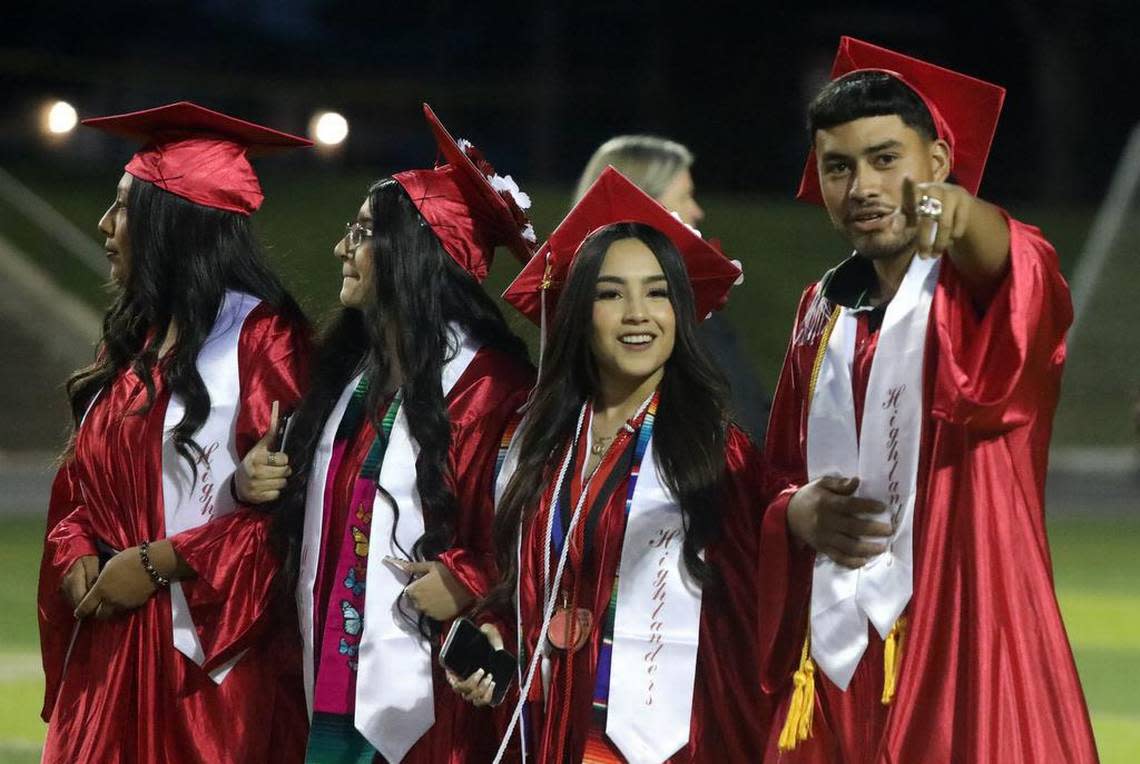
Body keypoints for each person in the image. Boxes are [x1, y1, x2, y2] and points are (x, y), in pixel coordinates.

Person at [757, 37, 1098, 762]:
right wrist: (795, 511)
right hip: (839, 666)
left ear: (937, 163)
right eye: (838, 167)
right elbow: (779, 470)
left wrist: (963, 215)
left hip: (970, 646)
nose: (863, 187)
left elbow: (1013, 261)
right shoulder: (818, 314)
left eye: (888, 159)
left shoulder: (971, 295)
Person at [455, 167, 767, 763]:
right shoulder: (537, 441)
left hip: (660, 738)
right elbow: (521, 578)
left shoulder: (714, 451)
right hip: (541, 727)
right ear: (578, 311)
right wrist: (497, 631)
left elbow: (749, 618)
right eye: (610, 293)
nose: (637, 314)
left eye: (657, 292)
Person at [256, 104, 537, 763]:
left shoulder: (493, 388)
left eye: (360, 234)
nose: (340, 250)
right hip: (328, 685)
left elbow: (528, 532)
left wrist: (466, 578)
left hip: (431, 702)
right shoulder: (353, 380)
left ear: (414, 255)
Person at [36, 102, 313, 762]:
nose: (106, 227)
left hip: (210, 680)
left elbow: (288, 522)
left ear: (175, 226)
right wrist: (74, 552)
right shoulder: (130, 346)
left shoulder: (265, 343)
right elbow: (78, 489)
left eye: (126, 207)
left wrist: (156, 564)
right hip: (106, 662)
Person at [575, 136, 771, 443]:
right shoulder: (684, 317)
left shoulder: (571, 314)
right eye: (685, 197)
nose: (697, 211)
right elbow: (745, 419)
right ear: (645, 205)